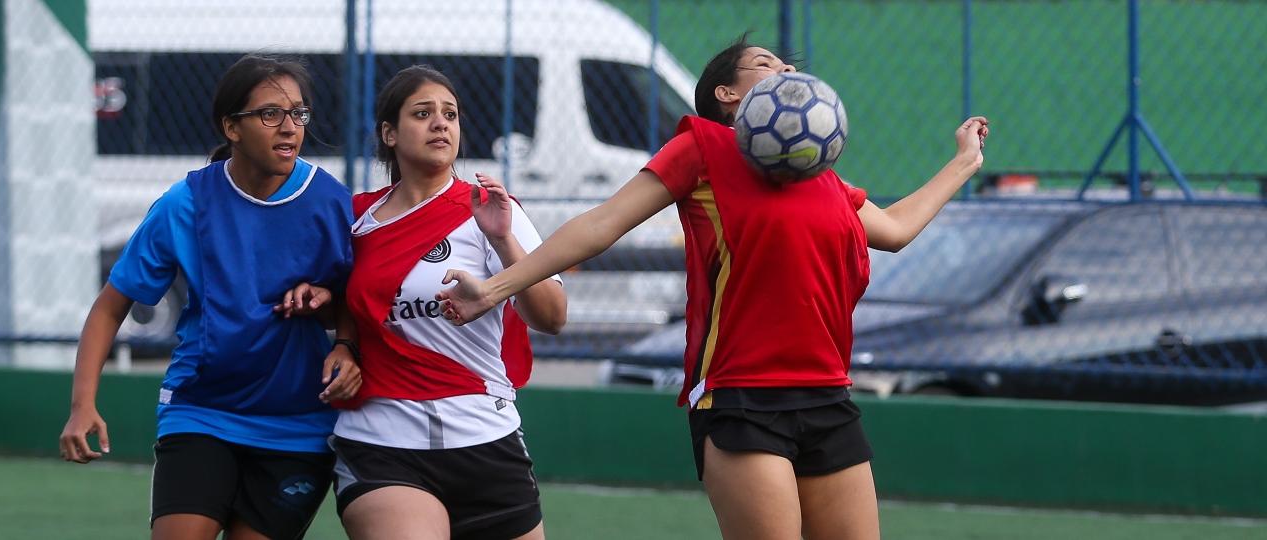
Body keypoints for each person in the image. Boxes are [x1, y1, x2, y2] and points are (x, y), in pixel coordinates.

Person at [436, 37, 989, 540]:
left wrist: (963, 162)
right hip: (742, 398)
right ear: (728, 94)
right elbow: (601, 225)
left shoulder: (820, 176)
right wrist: (493, 290)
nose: (787, 71)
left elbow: (893, 230)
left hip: (829, 394)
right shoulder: (703, 149)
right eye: (766, 64)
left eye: (790, 66)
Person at [58, 54, 362, 540]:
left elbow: (357, 296)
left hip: (298, 423)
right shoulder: (187, 203)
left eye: (298, 114)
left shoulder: (332, 202)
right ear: (232, 127)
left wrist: (342, 336)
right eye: (269, 114)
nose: (289, 128)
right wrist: (83, 404)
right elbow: (110, 306)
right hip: (202, 412)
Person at [284, 65, 567, 540]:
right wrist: (339, 333)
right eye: (423, 113)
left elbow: (552, 318)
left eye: (450, 114)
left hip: (484, 435)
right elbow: (348, 303)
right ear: (389, 133)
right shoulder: (355, 219)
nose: (441, 123)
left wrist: (504, 243)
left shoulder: (492, 210)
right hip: (382, 441)